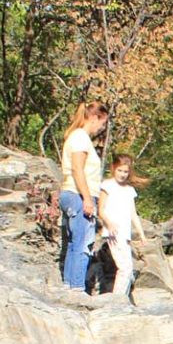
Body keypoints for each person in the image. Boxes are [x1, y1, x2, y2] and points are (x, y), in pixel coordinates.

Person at [58, 101, 109, 290]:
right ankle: (77, 288)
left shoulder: (76, 137)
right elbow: (78, 170)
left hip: (72, 194)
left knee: (73, 243)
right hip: (78, 196)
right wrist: (87, 199)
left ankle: (69, 285)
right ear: (95, 118)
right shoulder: (80, 138)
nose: (101, 128)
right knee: (83, 244)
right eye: (102, 123)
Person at [97, 154, 147, 296]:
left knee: (127, 268)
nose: (122, 174)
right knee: (125, 268)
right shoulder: (107, 185)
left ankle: (120, 297)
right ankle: (118, 299)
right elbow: (100, 209)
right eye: (120, 170)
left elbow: (133, 214)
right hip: (113, 232)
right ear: (114, 168)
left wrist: (142, 234)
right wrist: (108, 223)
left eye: (125, 172)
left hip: (124, 233)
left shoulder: (129, 190)